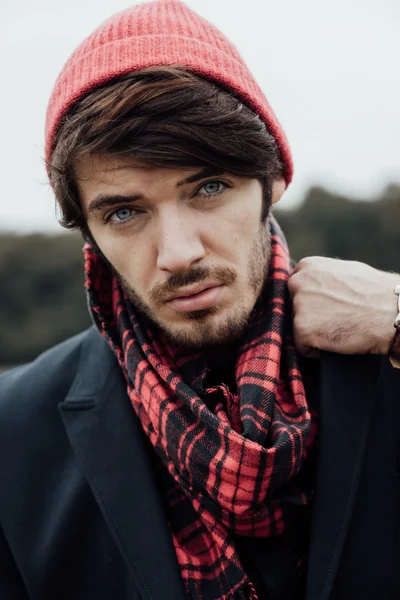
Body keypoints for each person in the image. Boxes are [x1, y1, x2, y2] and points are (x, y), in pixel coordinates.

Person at [0, 1, 399, 599]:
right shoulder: (13, 431)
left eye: (209, 187)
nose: (178, 253)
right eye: (125, 212)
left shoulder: (384, 349)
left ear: (275, 179)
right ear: (88, 231)